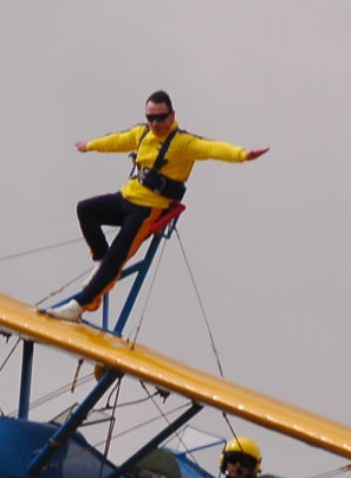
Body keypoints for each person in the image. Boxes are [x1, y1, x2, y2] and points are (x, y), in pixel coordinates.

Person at [44, 91, 268, 323]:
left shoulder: (182, 143)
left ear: (172, 116)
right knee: (86, 210)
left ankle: (79, 305)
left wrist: (242, 155)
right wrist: (89, 145)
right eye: (151, 118)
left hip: (147, 210)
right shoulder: (143, 133)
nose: (155, 124)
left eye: (160, 118)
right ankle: (99, 259)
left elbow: (212, 148)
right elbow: (118, 141)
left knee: (117, 257)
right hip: (126, 198)